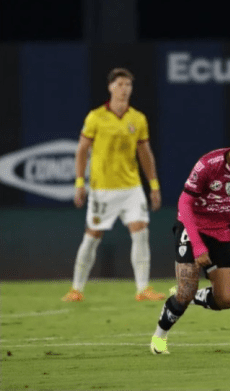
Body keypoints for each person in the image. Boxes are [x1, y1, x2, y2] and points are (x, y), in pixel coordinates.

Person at [150, 117, 230, 354]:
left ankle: (192, 295)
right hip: (193, 228)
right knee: (185, 290)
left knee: (227, 299)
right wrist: (197, 245)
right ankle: (159, 336)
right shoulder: (209, 164)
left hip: (222, 234)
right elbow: (184, 202)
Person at [63, 68, 165, 302]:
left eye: (128, 85)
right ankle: (76, 289)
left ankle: (143, 289)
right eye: (119, 84)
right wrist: (79, 183)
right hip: (102, 189)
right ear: (110, 87)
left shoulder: (137, 118)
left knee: (141, 232)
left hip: (131, 188)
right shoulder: (95, 117)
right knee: (92, 237)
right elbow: (82, 151)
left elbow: (145, 153)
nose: (124, 89)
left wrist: (154, 185)